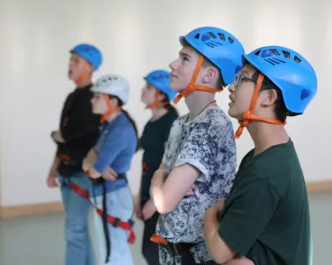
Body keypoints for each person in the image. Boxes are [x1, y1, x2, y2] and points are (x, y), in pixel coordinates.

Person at [203, 46, 317, 265]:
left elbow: (219, 251)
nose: (231, 87)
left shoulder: (266, 171)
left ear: (269, 97)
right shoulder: (266, 155)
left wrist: (210, 213)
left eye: (242, 79)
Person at [149, 26, 245, 265]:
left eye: (184, 59)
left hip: (198, 257)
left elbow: (163, 201)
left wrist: (158, 179)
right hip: (174, 253)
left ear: (209, 75)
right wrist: (163, 177)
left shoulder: (212, 125)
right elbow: (165, 182)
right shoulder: (180, 123)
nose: (173, 64)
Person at [47, 43, 102, 265]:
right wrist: (53, 170)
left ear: (89, 67)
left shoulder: (94, 98)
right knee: (77, 230)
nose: (70, 65)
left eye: (76, 61)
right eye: (70, 60)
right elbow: (64, 138)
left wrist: (60, 135)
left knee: (74, 230)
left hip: (82, 174)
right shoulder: (71, 98)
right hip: (66, 172)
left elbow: (69, 134)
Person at [81, 74, 138, 265]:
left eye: (98, 96)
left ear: (112, 101)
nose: (92, 100)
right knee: (108, 251)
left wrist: (93, 166)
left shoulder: (119, 129)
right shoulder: (109, 125)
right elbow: (89, 158)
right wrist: (93, 165)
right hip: (106, 194)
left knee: (113, 255)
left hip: (112, 196)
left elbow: (93, 169)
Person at [136, 70, 179, 265]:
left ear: (161, 94)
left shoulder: (170, 123)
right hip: (148, 190)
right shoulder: (151, 122)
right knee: (149, 251)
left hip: (161, 198)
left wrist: (154, 202)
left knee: (153, 252)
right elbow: (146, 162)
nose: (143, 91)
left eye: (148, 87)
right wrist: (139, 196)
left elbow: (172, 165)